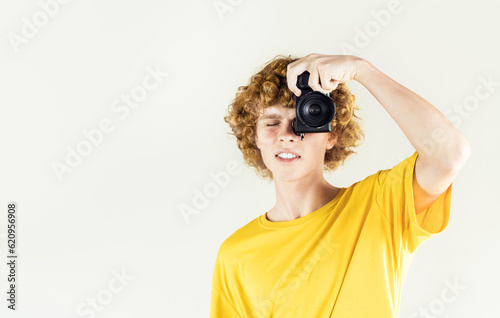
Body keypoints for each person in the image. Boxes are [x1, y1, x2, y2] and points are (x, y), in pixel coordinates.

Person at [209, 53, 470, 317]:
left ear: (331, 134)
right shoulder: (236, 255)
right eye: (272, 123)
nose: (287, 135)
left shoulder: (378, 206)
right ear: (254, 136)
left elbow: (449, 154)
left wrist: (361, 69)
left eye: (306, 119)